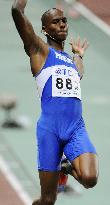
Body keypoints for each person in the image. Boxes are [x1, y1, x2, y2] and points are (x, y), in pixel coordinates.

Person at [11, 1, 99, 205]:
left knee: (89, 179)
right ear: (44, 29)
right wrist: (19, 6)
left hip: (76, 128)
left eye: (64, 21)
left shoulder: (69, 60)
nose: (61, 25)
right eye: (55, 22)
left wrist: (78, 55)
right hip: (50, 130)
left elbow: (78, 72)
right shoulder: (39, 51)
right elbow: (16, 11)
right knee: (48, 200)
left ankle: (65, 166)